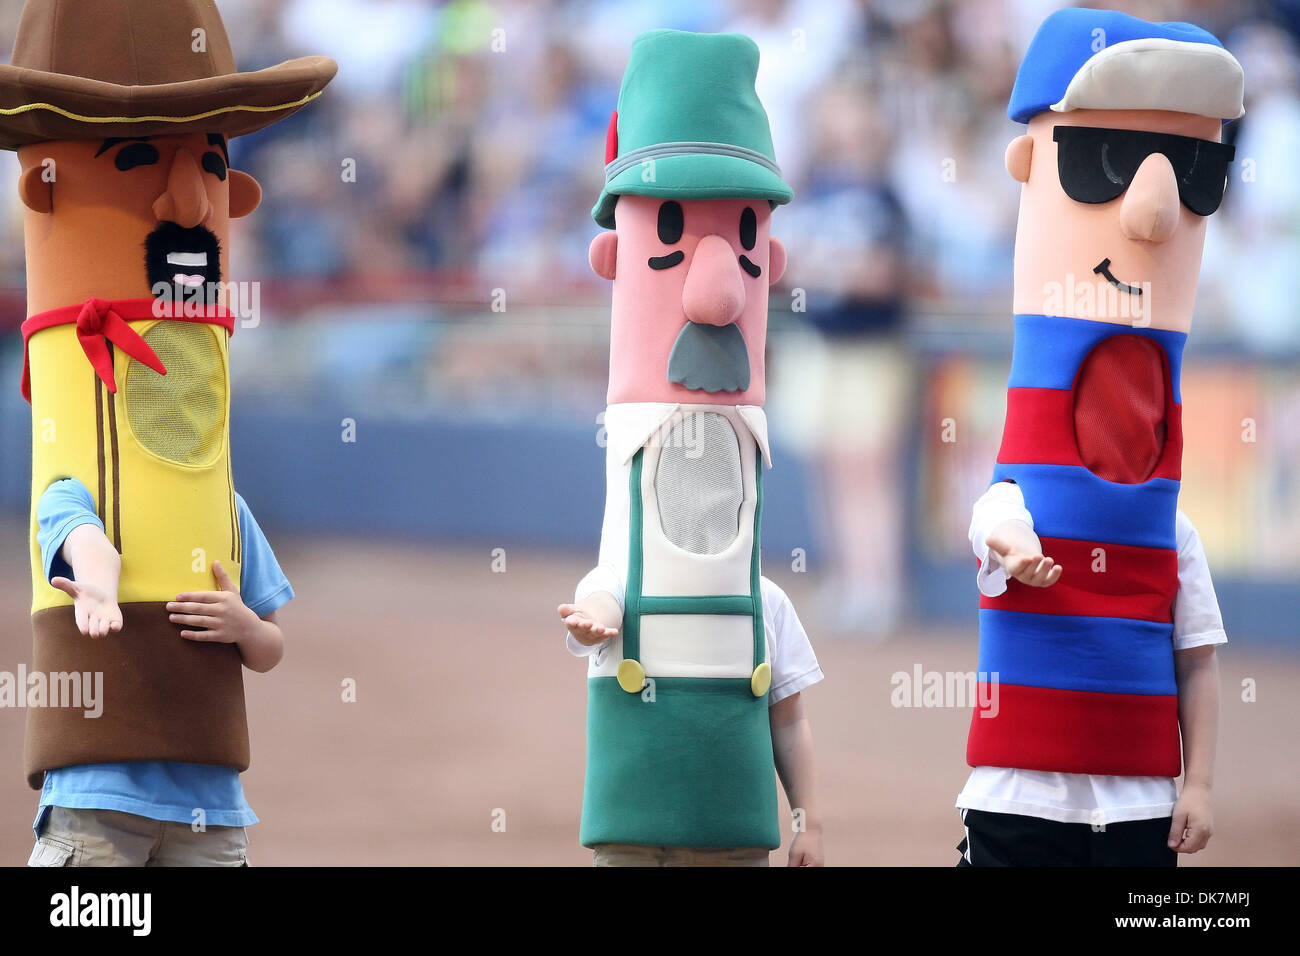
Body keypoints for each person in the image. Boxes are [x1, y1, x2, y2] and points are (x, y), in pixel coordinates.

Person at [2, 0, 335, 866]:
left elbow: (269, 645)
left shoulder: (224, 509)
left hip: (212, 806)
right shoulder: (74, 479)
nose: (188, 202)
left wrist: (242, 626)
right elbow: (69, 530)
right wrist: (101, 582)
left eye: (211, 165)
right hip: (96, 798)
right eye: (140, 157)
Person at [957, 8, 1242, 867]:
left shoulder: (1173, 533)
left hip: (1137, 814)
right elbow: (997, 526)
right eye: (1101, 162)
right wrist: (1015, 549)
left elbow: (1197, 662)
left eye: (1198, 171)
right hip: (1017, 805)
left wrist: (1196, 784)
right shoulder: (1013, 496)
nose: (1154, 209)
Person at [556, 29, 824, 867]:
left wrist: (807, 823)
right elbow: (598, 605)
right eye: (669, 228)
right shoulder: (620, 570)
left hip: (732, 826)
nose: (717, 290)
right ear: (620, 258)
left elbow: (790, 722)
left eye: (744, 237)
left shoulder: (766, 606)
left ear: (767, 261)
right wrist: (598, 618)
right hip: (635, 812)